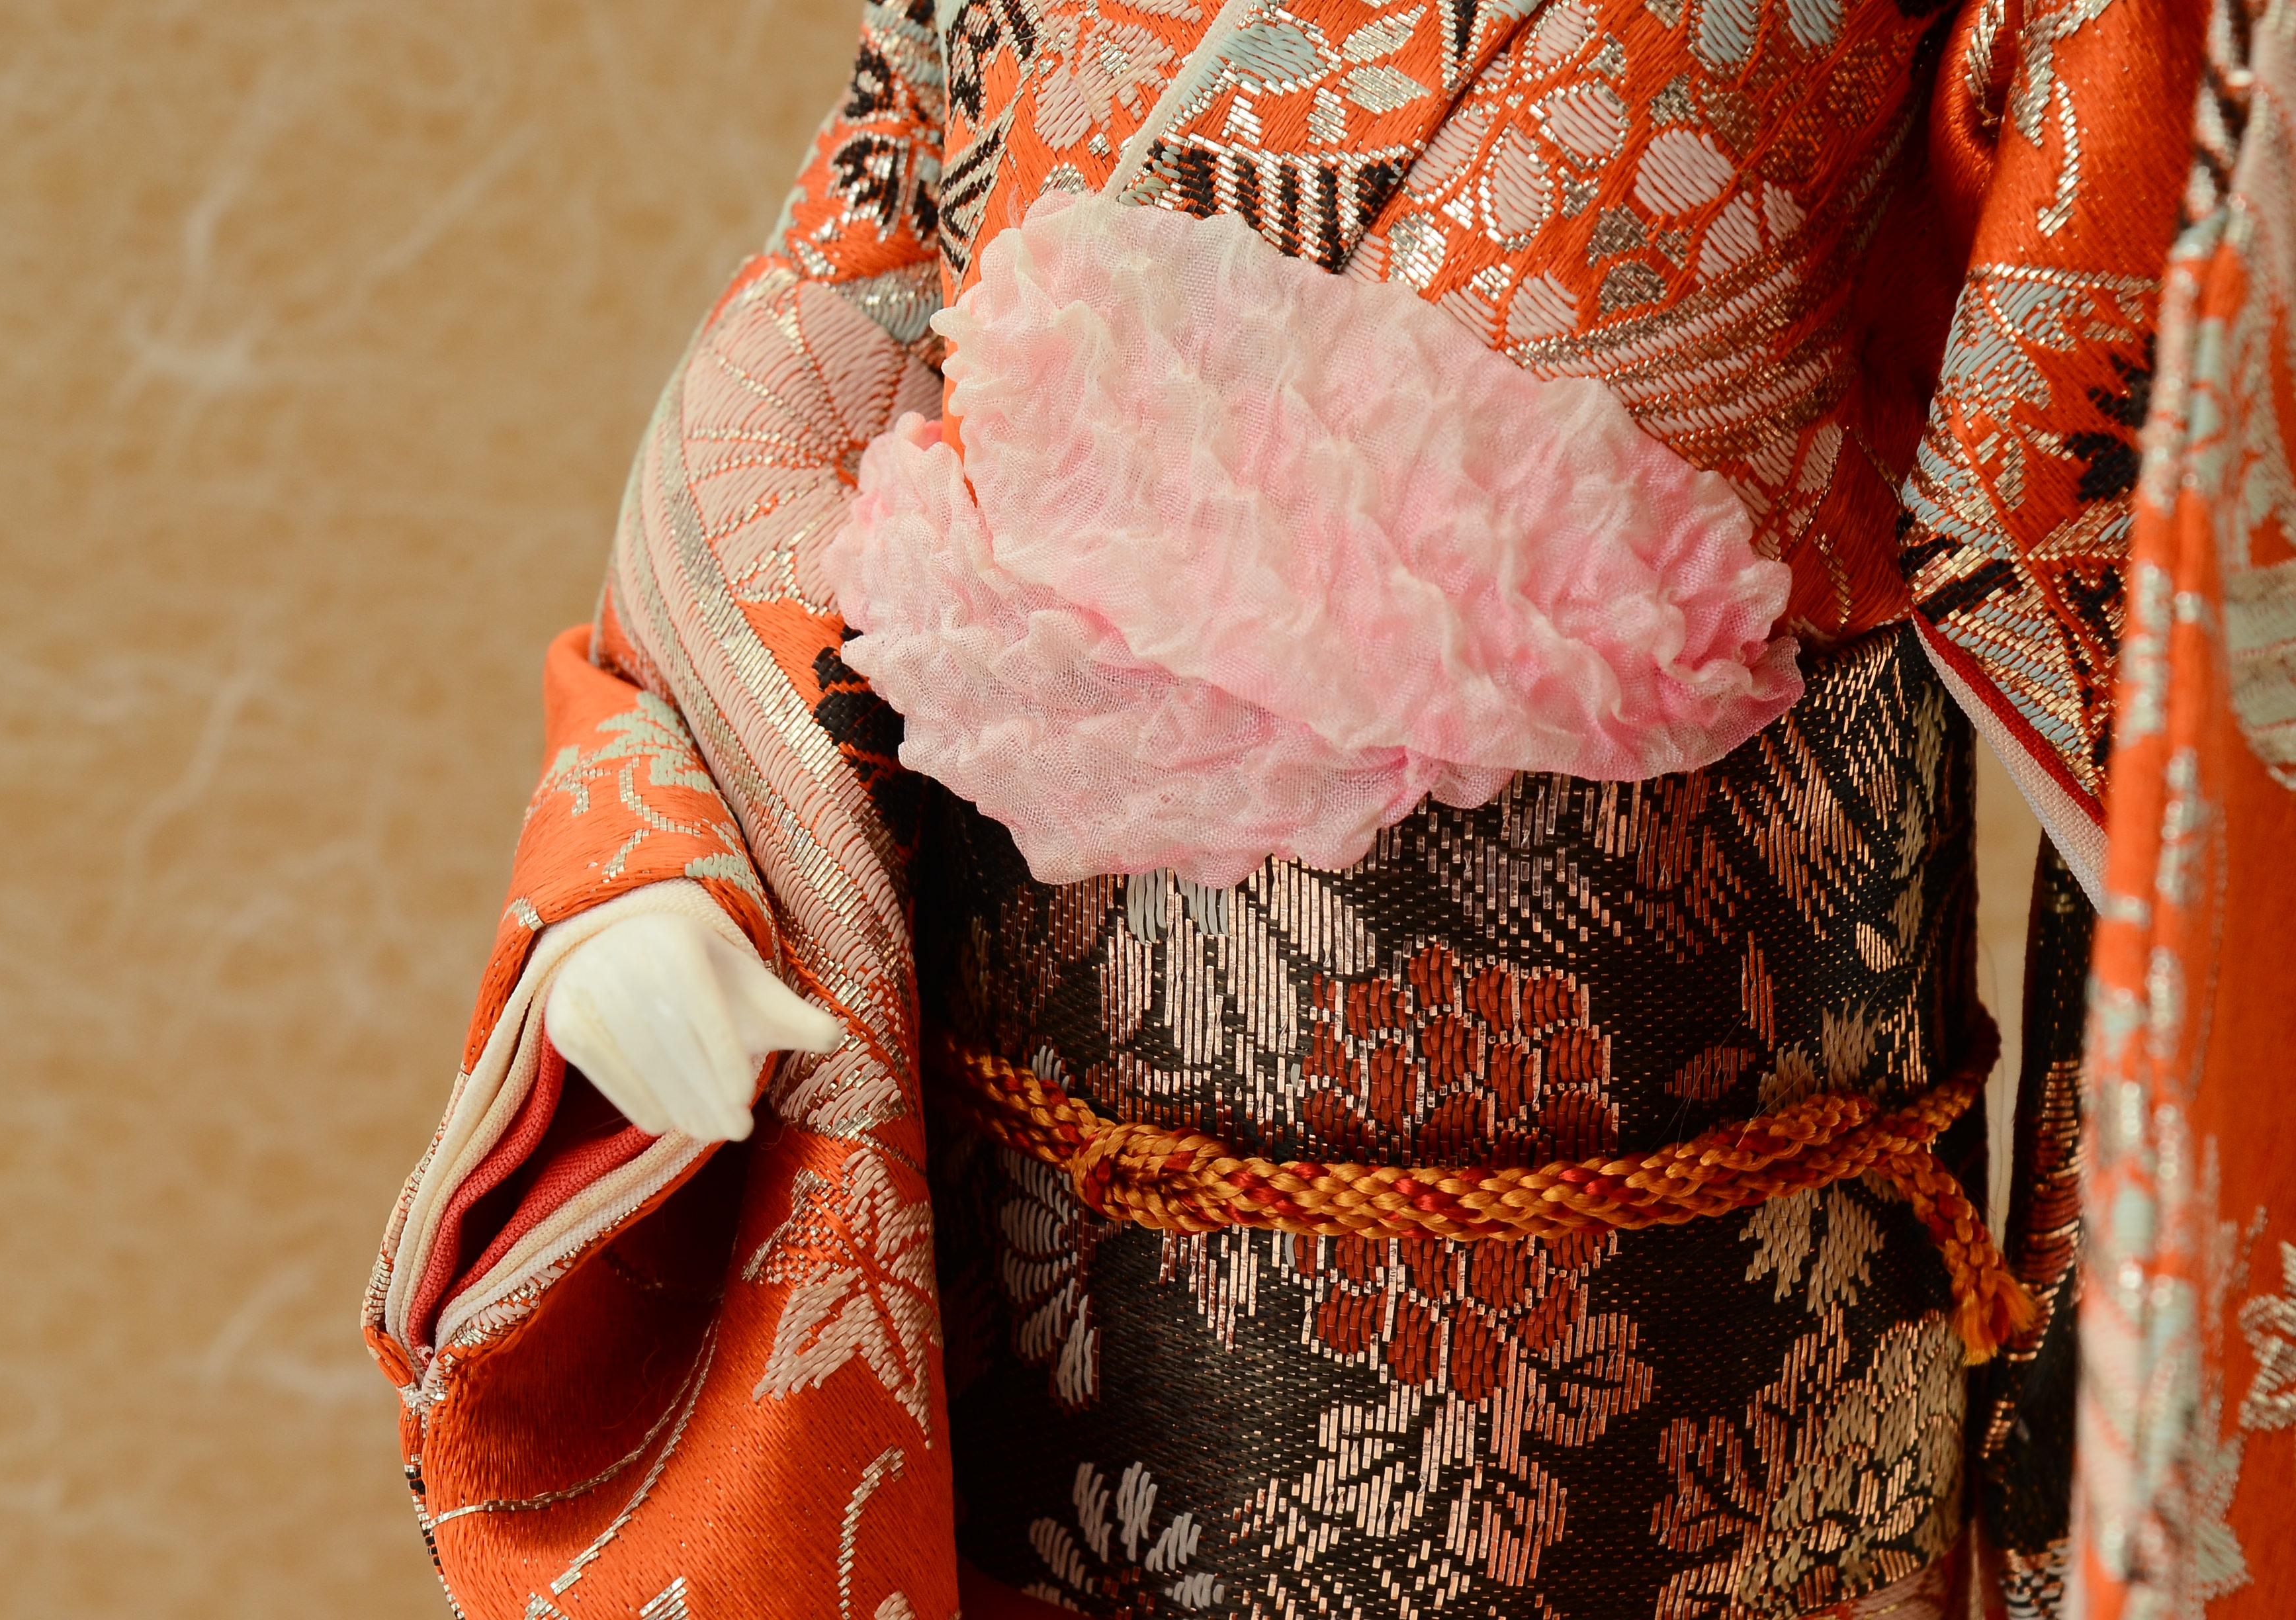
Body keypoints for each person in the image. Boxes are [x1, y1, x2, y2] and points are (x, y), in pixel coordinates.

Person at [363, 1, 2296, 1615]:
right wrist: (663, 873)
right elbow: (818, 348)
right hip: (1083, 1343)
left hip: (1722, 1355)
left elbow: (2132, 491)